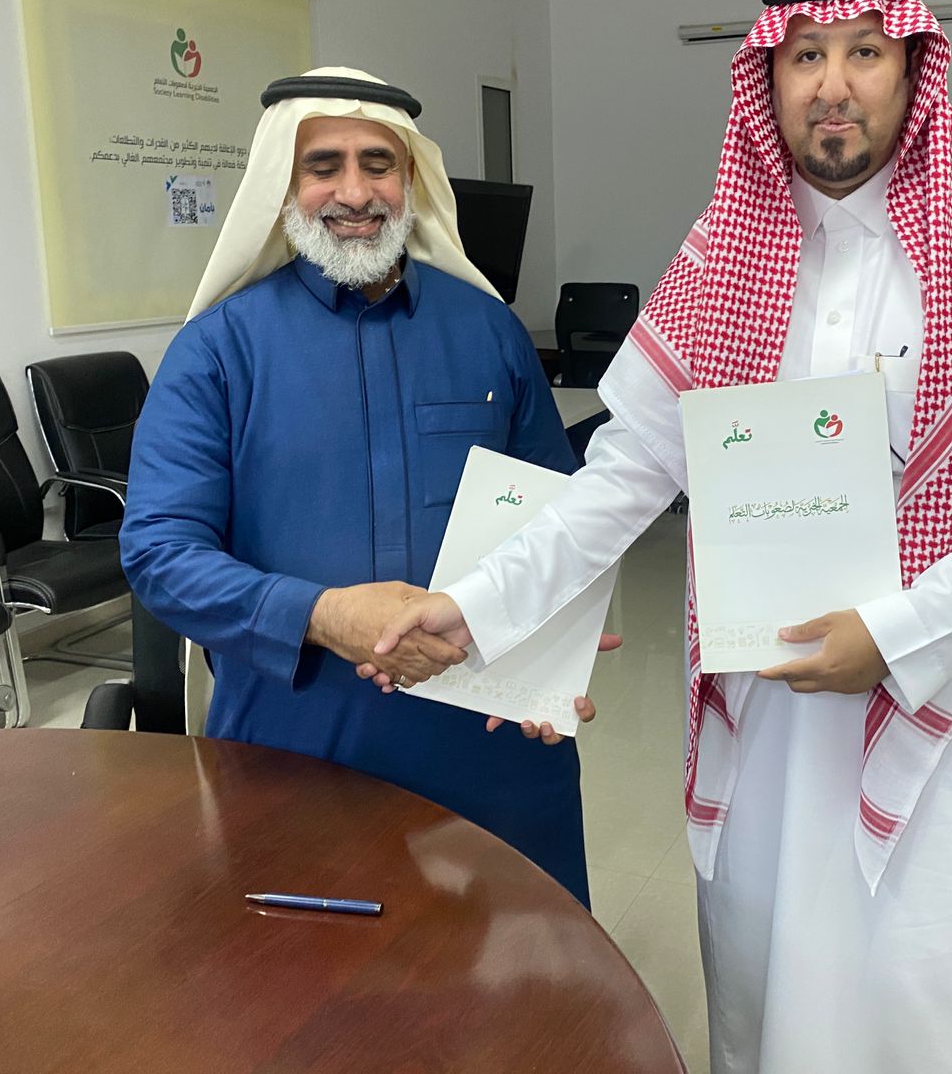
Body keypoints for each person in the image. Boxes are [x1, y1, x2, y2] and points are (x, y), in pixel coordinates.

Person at [369, 0, 952, 1070]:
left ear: (910, 70)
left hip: (936, 702)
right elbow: (622, 475)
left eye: (863, 53)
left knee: (926, 995)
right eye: (805, 57)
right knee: (769, 975)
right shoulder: (721, 260)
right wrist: (477, 608)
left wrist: (897, 634)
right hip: (764, 704)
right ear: (767, 82)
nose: (833, 84)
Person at [119, 67, 597, 906]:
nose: (353, 192)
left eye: (378, 164)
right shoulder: (216, 352)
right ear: (283, 186)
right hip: (298, 752)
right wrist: (325, 615)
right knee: (314, 984)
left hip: (492, 742)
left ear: (410, 179)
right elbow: (160, 554)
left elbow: (556, 520)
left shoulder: (489, 331)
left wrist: (559, 646)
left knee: (522, 974)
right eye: (323, 166)